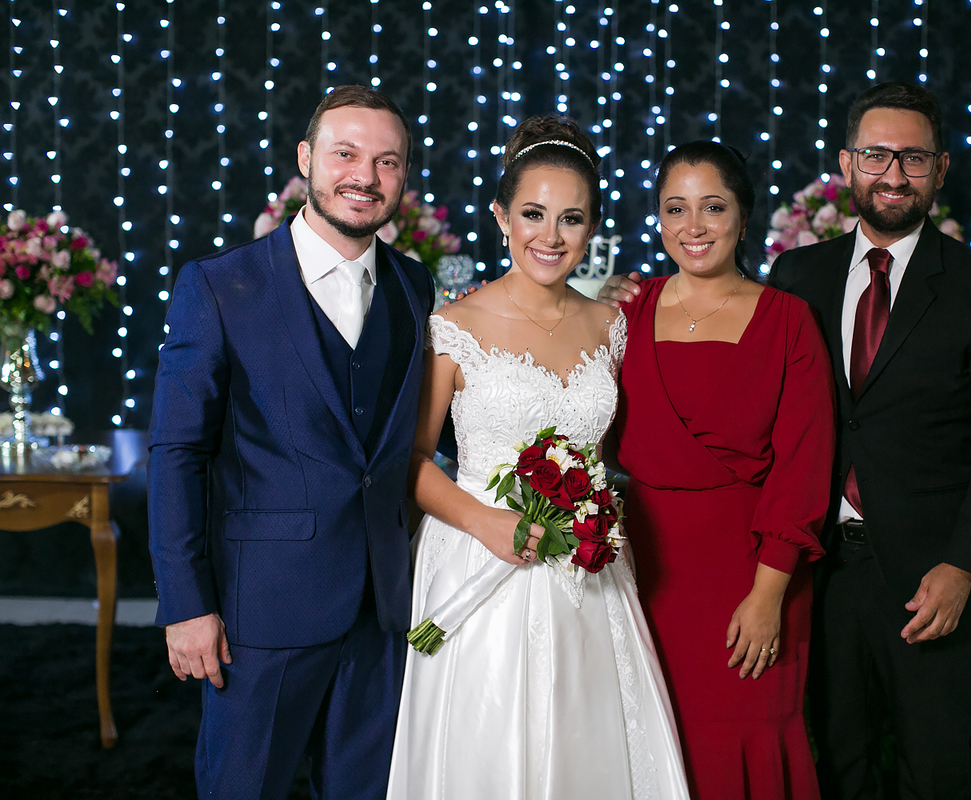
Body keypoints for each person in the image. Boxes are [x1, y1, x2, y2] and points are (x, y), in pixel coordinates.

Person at [603, 82, 971, 799]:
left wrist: (964, 564)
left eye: (913, 158)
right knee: (837, 765)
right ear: (846, 164)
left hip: (927, 572)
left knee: (933, 770)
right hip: (822, 568)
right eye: (875, 156)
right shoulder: (800, 276)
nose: (893, 174)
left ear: (941, 168)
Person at [387, 115, 690, 799]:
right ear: (501, 216)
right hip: (477, 556)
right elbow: (411, 461)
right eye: (533, 214)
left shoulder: (612, 325)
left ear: (593, 228)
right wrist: (486, 522)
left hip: (586, 570)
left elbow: (618, 451)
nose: (550, 237)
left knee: (589, 742)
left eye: (571, 219)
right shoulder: (453, 327)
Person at [148, 85, 436, 799]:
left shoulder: (415, 287)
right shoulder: (219, 285)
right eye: (346, 154)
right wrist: (185, 604)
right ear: (306, 158)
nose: (365, 176)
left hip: (381, 612)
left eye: (387, 161)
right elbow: (177, 455)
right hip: (261, 613)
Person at [603, 141, 836, 799]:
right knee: (652, 740)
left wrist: (768, 595)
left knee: (745, 738)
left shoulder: (788, 320)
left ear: (743, 215)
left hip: (751, 570)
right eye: (675, 208)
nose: (693, 226)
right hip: (643, 569)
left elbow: (805, 465)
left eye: (712, 206)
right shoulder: (626, 311)